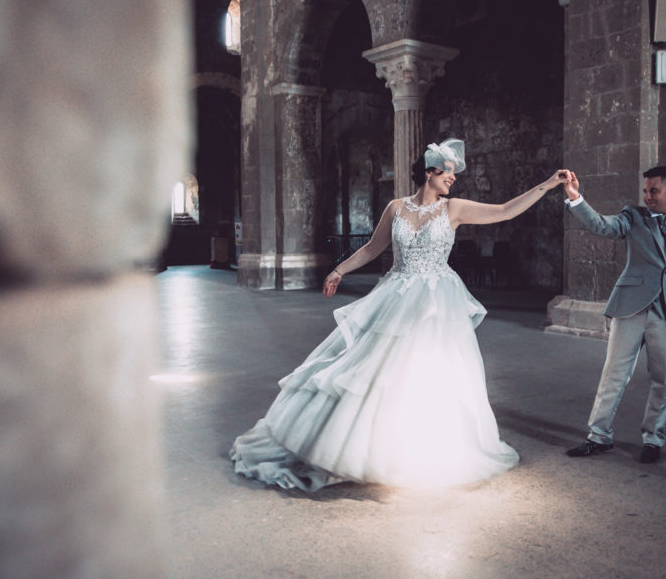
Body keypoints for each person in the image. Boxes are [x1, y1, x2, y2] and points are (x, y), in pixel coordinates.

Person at [230, 139, 569, 491]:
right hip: (395, 295)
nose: (452, 178)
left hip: (436, 303)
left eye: (453, 172)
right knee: (371, 370)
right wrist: (339, 270)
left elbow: (504, 211)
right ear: (429, 172)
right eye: (447, 171)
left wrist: (548, 183)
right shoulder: (395, 208)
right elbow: (372, 247)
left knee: (426, 373)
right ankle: (357, 447)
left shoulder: (453, 209)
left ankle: (416, 451)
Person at [561, 166, 666, 463]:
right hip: (631, 305)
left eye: (653, 191)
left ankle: (653, 439)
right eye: (645, 191)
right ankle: (598, 436)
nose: (647, 196)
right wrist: (575, 198)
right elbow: (602, 226)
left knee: (662, 378)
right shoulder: (633, 217)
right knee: (614, 374)